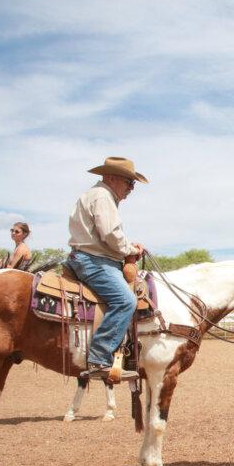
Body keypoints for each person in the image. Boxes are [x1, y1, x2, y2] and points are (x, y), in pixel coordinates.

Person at [67, 157, 147, 381]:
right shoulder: (103, 196)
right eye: (129, 182)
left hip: (92, 257)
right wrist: (131, 248)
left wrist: (130, 246)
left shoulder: (98, 195)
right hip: (94, 261)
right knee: (126, 301)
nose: (131, 188)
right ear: (111, 177)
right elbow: (110, 234)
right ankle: (99, 358)